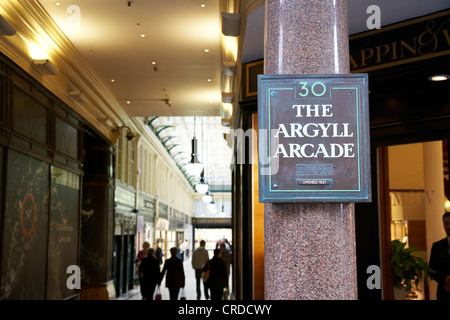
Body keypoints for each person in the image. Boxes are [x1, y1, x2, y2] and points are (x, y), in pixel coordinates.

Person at [429, 211, 450, 300]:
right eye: (446, 223)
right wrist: (445, 280)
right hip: (443, 293)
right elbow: (431, 270)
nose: (449, 226)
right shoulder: (437, 246)